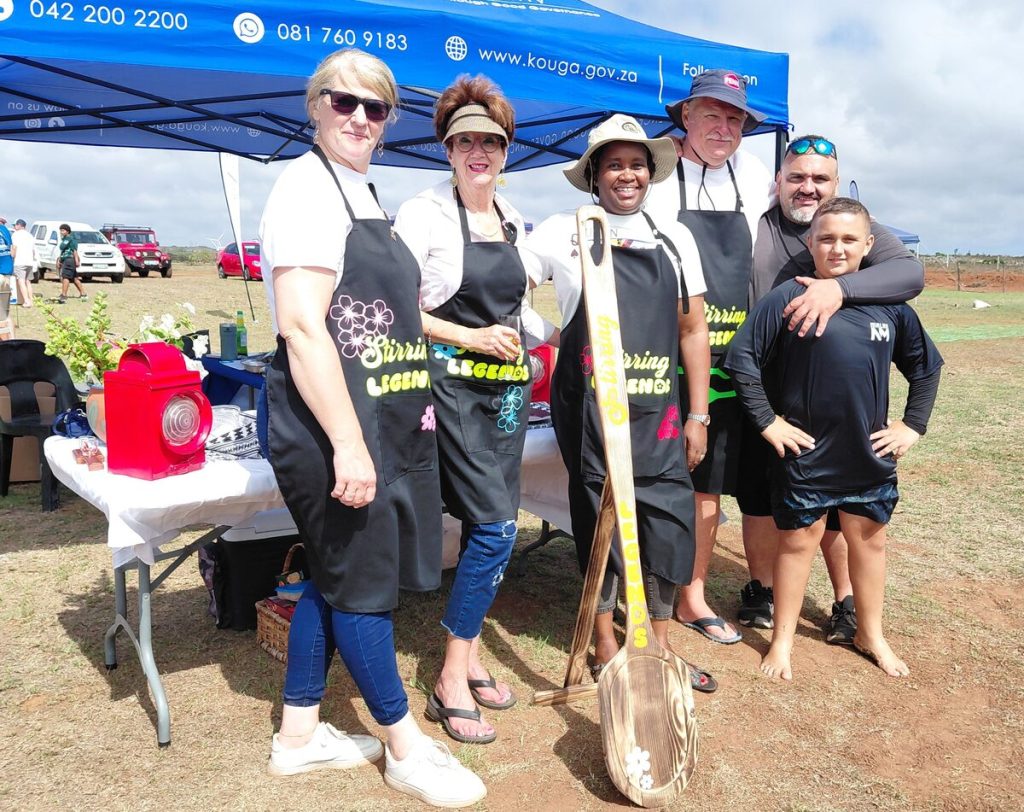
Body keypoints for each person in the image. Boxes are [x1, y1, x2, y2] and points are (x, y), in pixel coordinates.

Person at [258, 48, 485, 808]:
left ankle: (297, 738)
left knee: (336, 574)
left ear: (389, 121)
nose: (359, 117)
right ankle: (404, 747)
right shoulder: (304, 190)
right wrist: (349, 444)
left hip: (385, 419)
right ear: (314, 105)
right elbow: (301, 326)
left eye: (376, 107)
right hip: (334, 429)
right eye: (344, 102)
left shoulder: (361, 190)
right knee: (363, 588)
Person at [523, 115, 719, 694]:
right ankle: (605, 641)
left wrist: (699, 414)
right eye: (614, 164)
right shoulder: (565, 230)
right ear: (594, 175)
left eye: (636, 164)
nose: (626, 175)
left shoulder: (674, 237)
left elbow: (692, 330)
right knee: (598, 520)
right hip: (589, 404)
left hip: (659, 405)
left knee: (666, 521)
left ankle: (658, 646)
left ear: (650, 172)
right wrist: (554, 334)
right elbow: (508, 289)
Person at [724, 197, 943, 681]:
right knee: (798, 544)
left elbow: (926, 368)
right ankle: (781, 642)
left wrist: (912, 425)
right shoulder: (788, 297)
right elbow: (742, 359)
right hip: (807, 453)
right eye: (826, 238)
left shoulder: (892, 307)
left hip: (868, 454)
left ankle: (871, 634)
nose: (837, 248)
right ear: (810, 243)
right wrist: (768, 422)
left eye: (849, 239)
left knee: (869, 544)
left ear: (869, 245)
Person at [394, 76, 538, 745]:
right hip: (450, 388)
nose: (478, 151)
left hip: (505, 397)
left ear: (505, 152)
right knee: (493, 529)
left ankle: (472, 653)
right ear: (447, 148)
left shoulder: (510, 220)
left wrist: (556, 337)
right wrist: (469, 335)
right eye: (466, 141)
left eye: (491, 141)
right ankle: (452, 675)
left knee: (499, 521)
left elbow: (515, 306)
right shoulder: (422, 213)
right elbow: (394, 307)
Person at [645, 68, 774, 645]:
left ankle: (697, 592)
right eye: (712, 115)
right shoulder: (657, 176)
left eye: (734, 118)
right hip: (666, 352)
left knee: (716, 484)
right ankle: (665, 593)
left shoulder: (756, 182)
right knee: (672, 481)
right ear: (686, 118)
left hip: (734, 360)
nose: (723, 127)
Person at [57, 223, 86, 304]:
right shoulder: (69, 239)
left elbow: (71, 250)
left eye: (63, 230)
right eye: (60, 230)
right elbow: (65, 251)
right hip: (67, 260)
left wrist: (77, 260)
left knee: (65, 277)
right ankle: (83, 294)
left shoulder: (68, 239)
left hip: (69, 260)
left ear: (67, 231)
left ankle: (64, 295)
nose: (61, 232)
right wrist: (60, 259)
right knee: (74, 278)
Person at [11, 219, 35, 309]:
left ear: (19, 225)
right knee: (28, 281)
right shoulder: (30, 235)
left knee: (21, 281)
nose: (14, 227)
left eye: (15, 225)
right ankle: (30, 300)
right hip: (29, 261)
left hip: (19, 261)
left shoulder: (16, 235)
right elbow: (33, 250)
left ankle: (26, 301)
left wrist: (12, 257)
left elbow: (14, 247)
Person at [0, 218, 12, 334]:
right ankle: (12, 343)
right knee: (5, 313)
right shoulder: (5, 230)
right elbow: (12, 249)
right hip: (7, 271)